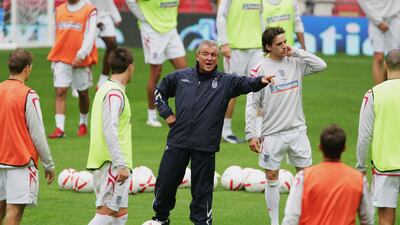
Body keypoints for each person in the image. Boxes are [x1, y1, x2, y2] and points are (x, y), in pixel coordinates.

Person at [151, 40, 274, 225]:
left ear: (217, 58)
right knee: (165, 184)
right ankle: (160, 219)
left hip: (205, 146)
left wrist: (261, 81)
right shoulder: (180, 77)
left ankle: (202, 223)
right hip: (177, 142)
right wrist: (167, 114)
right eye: (205, 54)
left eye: (213, 55)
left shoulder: (226, 81)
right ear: (198, 56)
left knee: (202, 192)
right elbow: (159, 92)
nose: (209, 58)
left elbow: (246, 83)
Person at [245, 26, 326, 225]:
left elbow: (321, 65)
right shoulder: (259, 70)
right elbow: (252, 104)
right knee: (272, 176)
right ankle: (274, 222)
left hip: (298, 130)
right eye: (279, 44)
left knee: (306, 177)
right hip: (271, 134)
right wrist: (251, 134)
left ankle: (307, 219)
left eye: (285, 42)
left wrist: (297, 51)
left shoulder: (295, 62)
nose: (284, 46)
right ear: (268, 47)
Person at [0, 49, 55, 225]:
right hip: (20, 161)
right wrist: (49, 164)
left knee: (1, 208)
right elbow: (37, 133)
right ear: (27, 68)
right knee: (14, 211)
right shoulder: (28, 95)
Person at [281, 125, 374, 225]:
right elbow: (367, 219)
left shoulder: (304, 177)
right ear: (344, 148)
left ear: (320, 147)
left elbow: (291, 217)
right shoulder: (358, 179)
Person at [86, 47, 134, 225]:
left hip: (109, 161)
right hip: (112, 163)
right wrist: (120, 163)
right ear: (130, 67)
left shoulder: (104, 88)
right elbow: (109, 128)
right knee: (106, 213)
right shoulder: (114, 93)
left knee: (120, 213)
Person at [126, 0, 187, 127]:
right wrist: (143, 18)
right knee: (156, 72)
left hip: (171, 29)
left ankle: (186, 113)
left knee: (185, 72)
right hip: (152, 30)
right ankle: (151, 115)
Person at [356, 49, 400, 225]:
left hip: (384, 168)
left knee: (385, 220)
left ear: (385, 65)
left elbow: (364, 136)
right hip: (385, 168)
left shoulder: (373, 94)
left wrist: (360, 167)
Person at [47, 0, 98, 138]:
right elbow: (56, 34)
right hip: (61, 58)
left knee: (83, 94)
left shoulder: (89, 10)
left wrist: (81, 55)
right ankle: (59, 129)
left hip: (81, 59)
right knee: (60, 91)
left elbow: (91, 34)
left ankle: (83, 123)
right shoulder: (59, 10)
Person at [217, 0, 265, 144]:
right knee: (231, 90)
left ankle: (259, 131)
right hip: (235, 47)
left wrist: (265, 42)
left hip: (256, 47)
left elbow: (260, 16)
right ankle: (225, 130)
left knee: (260, 87)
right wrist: (224, 42)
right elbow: (221, 16)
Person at [357, 0, 400, 84]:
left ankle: (394, 88)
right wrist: (377, 21)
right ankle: (378, 90)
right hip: (375, 19)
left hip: (395, 16)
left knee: (395, 57)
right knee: (378, 57)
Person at [90, 0, 122, 89]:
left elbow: (108, 2)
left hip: (105, 17)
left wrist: (116, 16)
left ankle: (102, 80)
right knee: (86, 49)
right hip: (88, 16)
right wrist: (96, 20)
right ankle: (79, 84)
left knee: (112, 45)